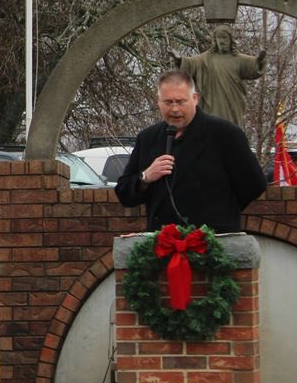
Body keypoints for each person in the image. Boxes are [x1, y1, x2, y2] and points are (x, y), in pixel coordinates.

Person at [114, 70, 268, 233]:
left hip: (212, 241)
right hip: (163, 243)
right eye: (168, 102)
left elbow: (255, 185)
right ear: (158, 102)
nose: (174, 109)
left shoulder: (224, 134)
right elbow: (124, 194)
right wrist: (145, 178)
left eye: (180, 102)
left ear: (195, 99)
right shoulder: (147, 138)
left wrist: (221, 213)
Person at [172, 25, 267, 126]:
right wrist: (179, 59)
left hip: (233, 104)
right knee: (213, 128)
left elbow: (253, 67)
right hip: (212, 103)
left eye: (225, 37)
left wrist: (260, 60)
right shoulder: (206, 58)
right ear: (215, 40)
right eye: (219, 38)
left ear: (231, 40)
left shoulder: (238, 59)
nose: (222, 41)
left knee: (232, 129)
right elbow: (191, 64)